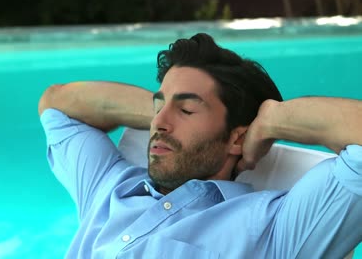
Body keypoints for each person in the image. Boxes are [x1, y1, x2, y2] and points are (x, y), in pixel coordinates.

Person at [38, 33, 362, 258]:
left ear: (236, 137)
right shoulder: (110, 187)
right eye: (158, 107)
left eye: (188, 110)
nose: (158, 123)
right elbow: (57, 105)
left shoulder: (273, 227)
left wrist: (272, 120)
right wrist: (164, 110)